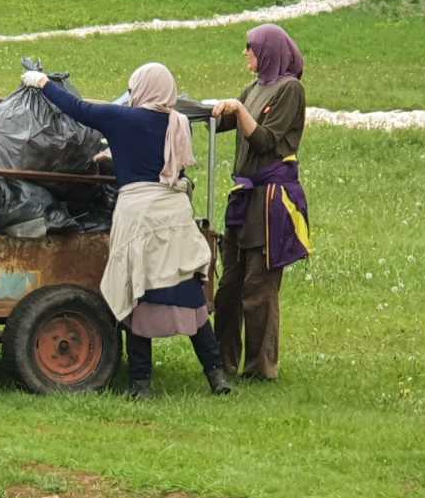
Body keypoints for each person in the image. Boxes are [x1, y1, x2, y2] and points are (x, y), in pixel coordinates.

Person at [22, 63, 233, 397]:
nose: (132, 94)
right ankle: (217, 376)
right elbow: (154, 159)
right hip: (175, 216)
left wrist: (43, 82)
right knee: (189, 297)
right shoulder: (177, 123)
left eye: (134, 88)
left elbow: (79, 110)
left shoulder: (124, 119)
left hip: (141, 219)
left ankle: (140, 384)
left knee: (139, 295)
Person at [211, 23, 311, 381]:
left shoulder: (290, 90)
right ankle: (221, 362)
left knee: (259, 286)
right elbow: (222, 122)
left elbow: (266, 140)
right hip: (243, 196)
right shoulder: (253, 89)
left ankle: (260, 368)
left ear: (268, 51)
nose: (246, 54)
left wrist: (238, 111)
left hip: (270, 200)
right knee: (229, 287)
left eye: (251, 48)